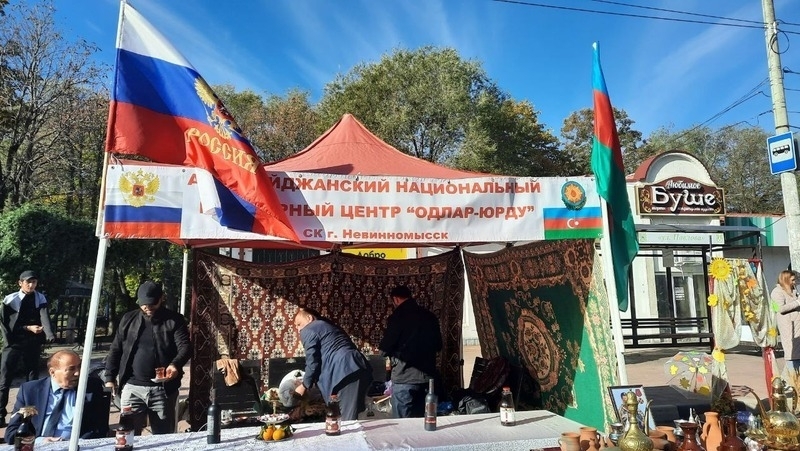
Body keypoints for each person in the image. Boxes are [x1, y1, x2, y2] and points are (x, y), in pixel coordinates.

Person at [103, 280, 191, 434]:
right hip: (132, 387)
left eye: (152, 303)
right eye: (144, 304)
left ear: (161, 298)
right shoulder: (128, 319)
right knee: (127, 433)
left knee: (164, 436)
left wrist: (175, 364)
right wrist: (110, 377)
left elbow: (185, 347)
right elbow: (116, 349)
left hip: (162, 389)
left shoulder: (174, 320)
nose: (148, 307)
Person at [4, 349, 109, 444]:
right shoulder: (30, 391)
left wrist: (74, 444)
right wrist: (39, 441)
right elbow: (11, 433)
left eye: (79, 367)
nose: (78, 373)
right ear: (52, 372)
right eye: (71, 369)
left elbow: (99, 429)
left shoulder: (90, 388)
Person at [292, 307, 372, 420]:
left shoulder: (309, 329)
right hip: (357, 367)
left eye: (299, 324)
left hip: (344, 372)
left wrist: (304, 385)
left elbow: (312, 361)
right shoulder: (328, 326)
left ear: (309, 318)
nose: (298, 329)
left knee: (346, 420)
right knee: (349, 416)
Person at [0, 270, 55, 427]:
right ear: (20, 283)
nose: (31, 285)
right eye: (28, 282)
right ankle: (0, 414)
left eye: (34, 282)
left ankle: (30, 414)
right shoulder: (11, 300)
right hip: (14, 343)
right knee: (4, 379)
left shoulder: (40, 298)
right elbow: (7, 325)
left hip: (32, 342)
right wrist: (27, 328)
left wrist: (49, 333)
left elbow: (44, 316)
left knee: (32, 379)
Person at [379, 285, 442, 418]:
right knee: (423, 421)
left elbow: (385, 348)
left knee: (402, 423)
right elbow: (438, 345)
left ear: (396, 299)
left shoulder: (397, 318)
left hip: (404, 377)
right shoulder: (429, 316)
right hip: (427, 378)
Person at [774, 270, 800, 376]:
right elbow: (779, 309)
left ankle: (787, 380)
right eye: (792, 280)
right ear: (785, 280)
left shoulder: (793, 291)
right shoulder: (777, 292)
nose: (794, 282)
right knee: (792, 355)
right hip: (789, 328)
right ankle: (789, 381)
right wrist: (798, 302)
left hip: (798, 327)